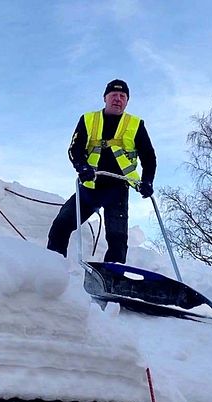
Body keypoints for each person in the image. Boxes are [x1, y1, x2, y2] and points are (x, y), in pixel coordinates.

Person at [46, 79, 156, 264]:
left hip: (118, 189)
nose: (118, 99)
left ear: (127, 101)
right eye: (114, 95)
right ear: (105, 98)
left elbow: (149, 157)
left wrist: (147, 181)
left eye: (122, 96)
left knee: (118, 239)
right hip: (89, 187)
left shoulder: (136, 124)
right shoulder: (88, 120)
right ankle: (52, 267)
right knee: (61, 225)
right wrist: (82, 167)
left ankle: (112, 281)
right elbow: (75, 149)